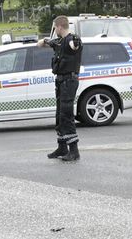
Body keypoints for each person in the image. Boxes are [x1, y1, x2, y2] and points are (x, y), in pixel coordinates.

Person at [38, 15, 83, 161]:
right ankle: (62, 147)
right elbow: (43, 44)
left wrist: (75, 43)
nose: (54, 30)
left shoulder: (71, 40)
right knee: (59, 115)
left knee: (67, 115)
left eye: (54, 28)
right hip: (61, 81)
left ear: (59, 27)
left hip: (69, 81)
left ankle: (74, 151)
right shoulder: (59, 42)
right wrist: (45, 41)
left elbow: (74, 46)